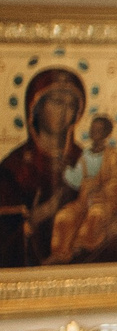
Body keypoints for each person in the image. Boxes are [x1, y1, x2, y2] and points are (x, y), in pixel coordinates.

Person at [0, 68, 88, 267]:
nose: (64, 112)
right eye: (57, 102)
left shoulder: (85, 161)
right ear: (36, 107)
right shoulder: (13, 168)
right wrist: (35, 219)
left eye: (71, 105)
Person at [46, 114, 117, 266]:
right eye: (92, 128)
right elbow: (77, 179)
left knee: (95, 214)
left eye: (98, 130)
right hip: (83, 201)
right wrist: (64, 169)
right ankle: (60, 253)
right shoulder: (85, 154)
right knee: (64, 216)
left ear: (106, 134)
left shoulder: (112, 155)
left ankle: (80, 247)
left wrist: (100, 191)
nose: (94, 132)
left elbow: (116, 181)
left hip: (104, 202)